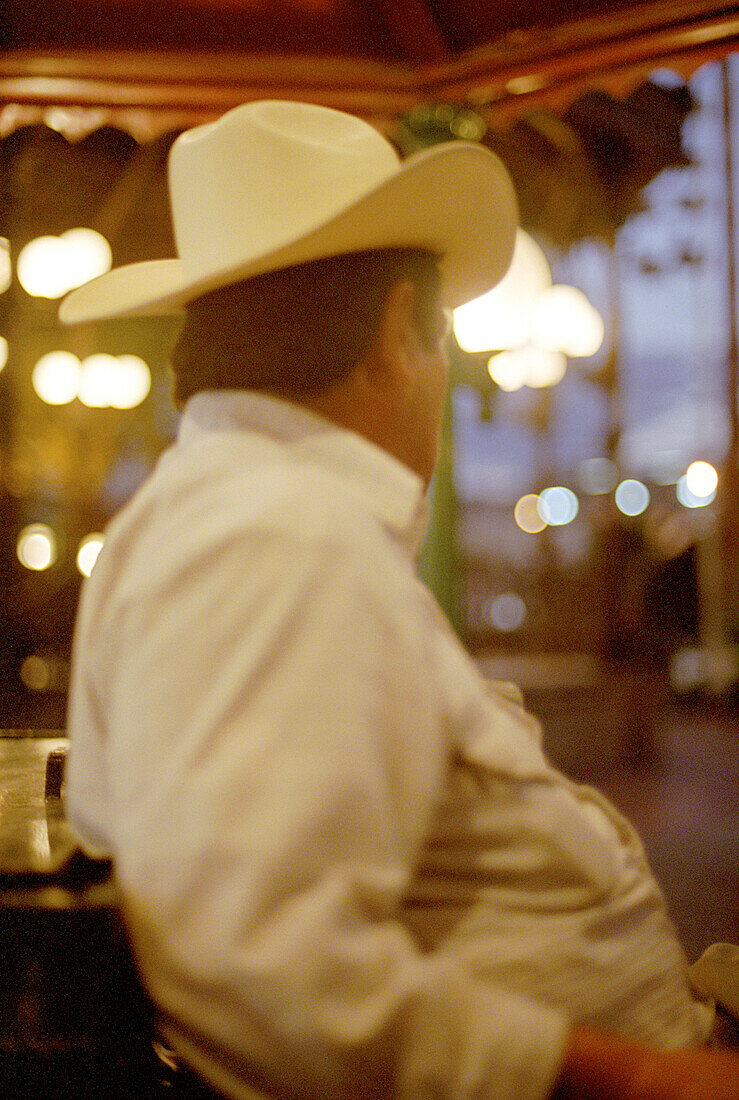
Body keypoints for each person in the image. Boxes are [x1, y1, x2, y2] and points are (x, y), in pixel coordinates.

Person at [60, 100, 739, 1100]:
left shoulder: (241, 513)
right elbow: (267, 973)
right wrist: (646, 1072)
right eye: (442, 343)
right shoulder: (273, 533)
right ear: (394, 333)